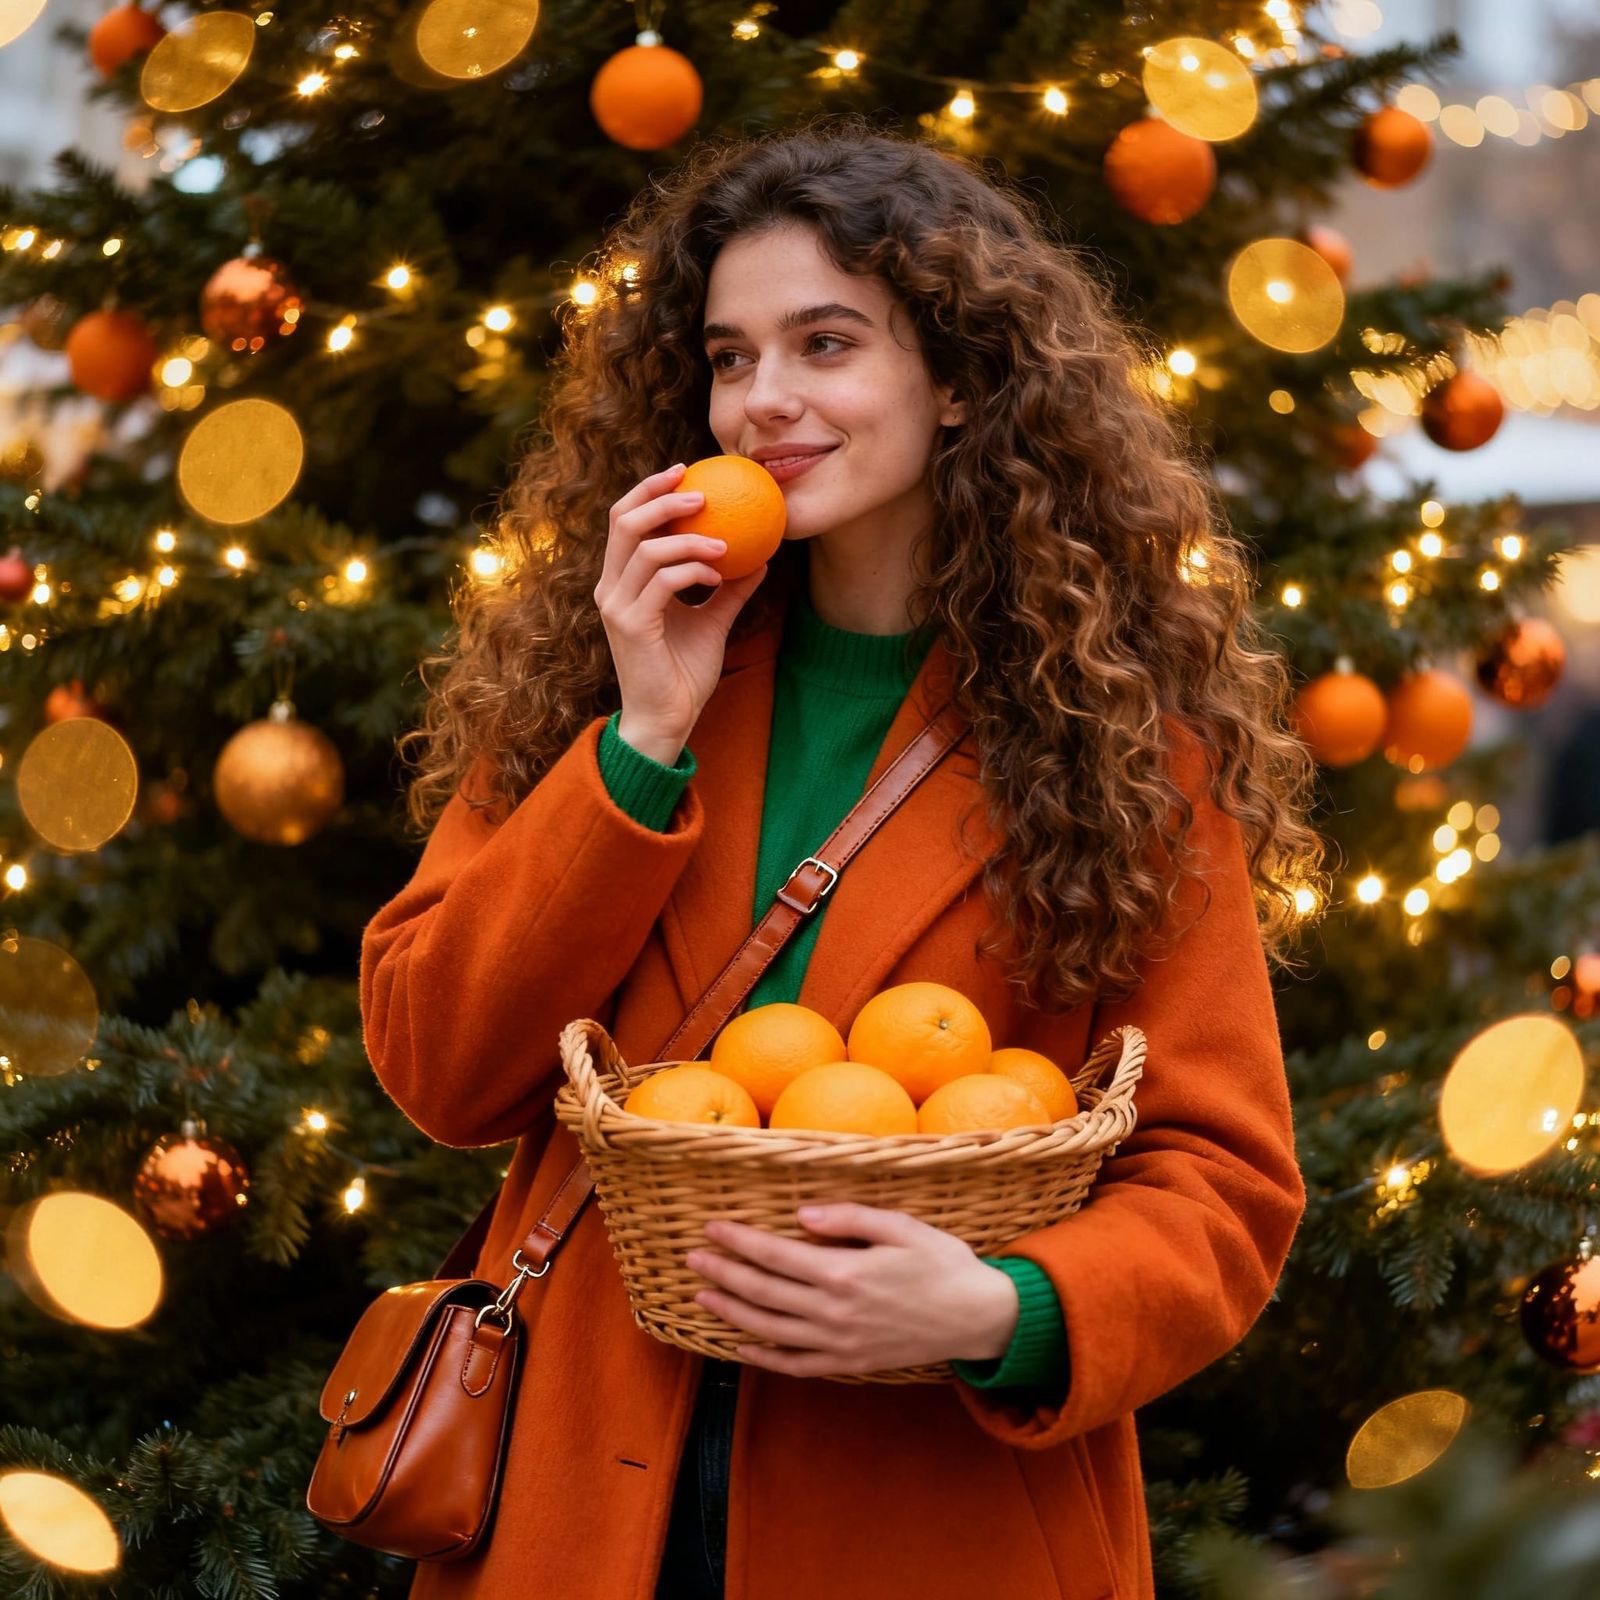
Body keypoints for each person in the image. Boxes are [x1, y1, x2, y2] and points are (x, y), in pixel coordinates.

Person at [361, 116, 1321, 1600]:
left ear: (953, 381)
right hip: (574, 1504)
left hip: (932, 1517)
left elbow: (1224, 1179)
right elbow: (442, 1064)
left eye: (825, 344)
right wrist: (643, 738)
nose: (764, 402)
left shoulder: (1125, 740)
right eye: (730, 356)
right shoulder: (602, 677)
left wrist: (1004, 1307)